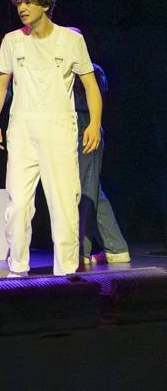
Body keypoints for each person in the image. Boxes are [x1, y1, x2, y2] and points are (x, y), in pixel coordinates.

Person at [0, 0, 102, 277]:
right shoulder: (12, 40)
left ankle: (66, 271)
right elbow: (1, 84)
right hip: (22, 127)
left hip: (58, 127)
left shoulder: (71, 40)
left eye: (28, 1)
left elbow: (91, 85)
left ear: (46, 4)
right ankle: (17, 268)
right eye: (19, 2)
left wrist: (94, 123)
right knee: (18, 204)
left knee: (63, 201)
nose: (22, 8)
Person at [73, 62, 130, 264]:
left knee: (86, 192)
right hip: (71, 137)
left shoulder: (93, 71)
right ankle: (116, 248)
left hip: (87, 136)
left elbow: (89, 101)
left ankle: (82, 250)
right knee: (92, 192)